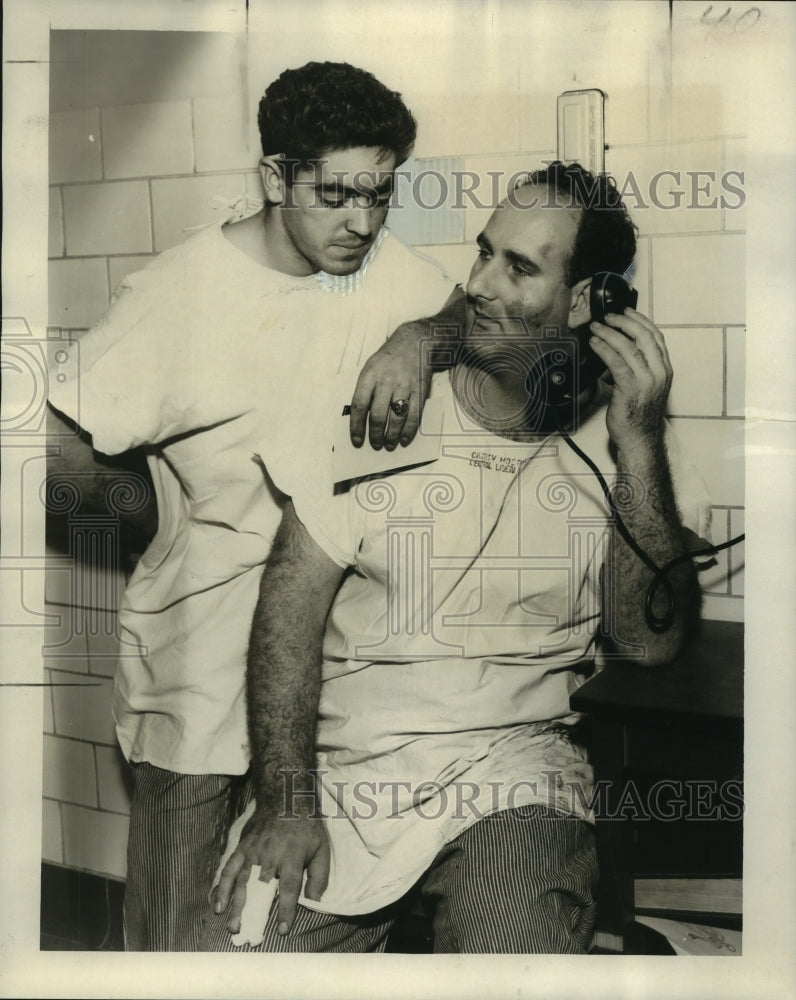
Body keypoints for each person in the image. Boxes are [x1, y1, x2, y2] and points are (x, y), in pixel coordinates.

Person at [205, 162, 712, 953]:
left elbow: (649, 641)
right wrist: (286, 802)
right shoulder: (388, 405)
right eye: (484, 253)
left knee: (513, 947)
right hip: (347, 767)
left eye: (520, 267)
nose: (479, 283)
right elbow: (287, 612)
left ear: (585, 302)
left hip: (514, 771)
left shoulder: (627, 444)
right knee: (234, 961)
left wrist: (638, 443)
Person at [46, 61, 458, 951]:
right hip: (197, 677)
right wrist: (158, 520)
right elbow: (44, 445)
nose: (361, 221)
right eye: (336, 193)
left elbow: (470, 314)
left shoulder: (384, 270)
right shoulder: (176, 293)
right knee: (176, 939)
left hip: (331, 686)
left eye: (381, 195)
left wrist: (420, 338)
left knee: (277, 934)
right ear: (276, 178)